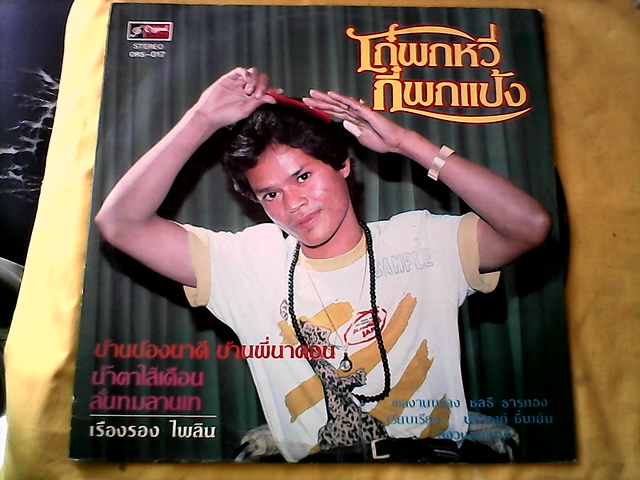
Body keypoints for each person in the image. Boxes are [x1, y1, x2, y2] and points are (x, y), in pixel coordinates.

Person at [95, 67, 551, 463]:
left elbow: (529, 226)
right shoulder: (244, 263)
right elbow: (119, 223)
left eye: (303, 176)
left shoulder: (421, 239)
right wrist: (201, 118)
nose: (293, 204)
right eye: (270, 194)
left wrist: (407, 143)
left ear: (342, 166)